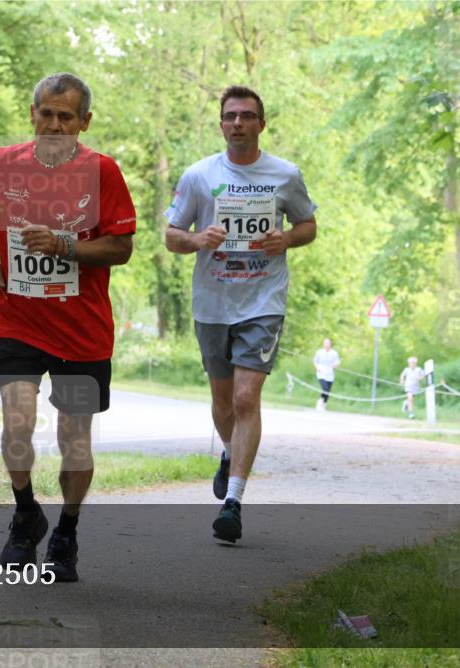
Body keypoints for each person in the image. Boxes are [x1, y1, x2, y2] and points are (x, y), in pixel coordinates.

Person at [0, 72, 136, 581]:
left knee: (73, 439)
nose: (54, 125)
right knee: (17, 422)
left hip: (82, 332)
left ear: (84, 122)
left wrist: (64, 246)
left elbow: (121, 248)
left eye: (66, 116)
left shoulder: (103, 172)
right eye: (46, 113)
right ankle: (24, 514)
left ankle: (66, 531)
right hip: (16, 317)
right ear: (32, 113)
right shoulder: (1, 163)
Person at [164, 85, 318, 543]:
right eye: (230, 116)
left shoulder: (284, 174)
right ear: (220, 124)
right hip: (212, 302)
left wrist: (286, 239)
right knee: (223, 401)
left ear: (260, 124)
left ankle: (234, 501)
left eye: (247, 116)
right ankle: (231, 451)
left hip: (262, 301)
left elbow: (308, 225)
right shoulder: (198, 175)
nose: (238, 123)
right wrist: (197, 240)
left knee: (247, 399)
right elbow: (172, 235)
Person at [312, 338, 340, 410]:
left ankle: (324, 403)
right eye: (326, 343)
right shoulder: (319, 352)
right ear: (323, 344)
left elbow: (337, 362)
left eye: (329, 343)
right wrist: (317, 367)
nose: (327, 345)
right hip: (321, 373)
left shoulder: (334, 353)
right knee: (325, 388)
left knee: (328, 391)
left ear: (331, 344)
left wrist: (335, 365)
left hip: (330, 373)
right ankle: (320, 402)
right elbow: (315, 361)